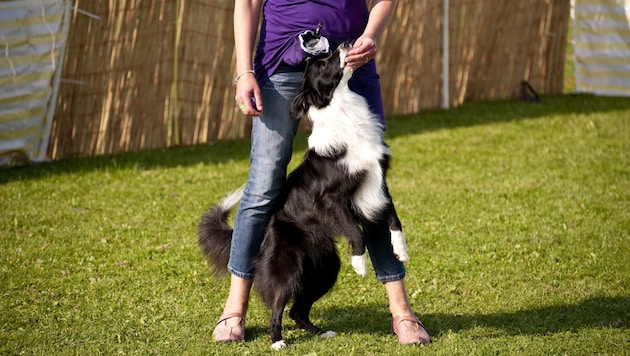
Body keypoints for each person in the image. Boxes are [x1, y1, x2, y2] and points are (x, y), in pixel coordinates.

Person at [212, 0, 430, 345]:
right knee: (264, 184)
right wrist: (244, 71)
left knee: (372, 186)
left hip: (348, 61)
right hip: (280, 62)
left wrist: (370, 34)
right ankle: (233, 311)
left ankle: (402, 314)